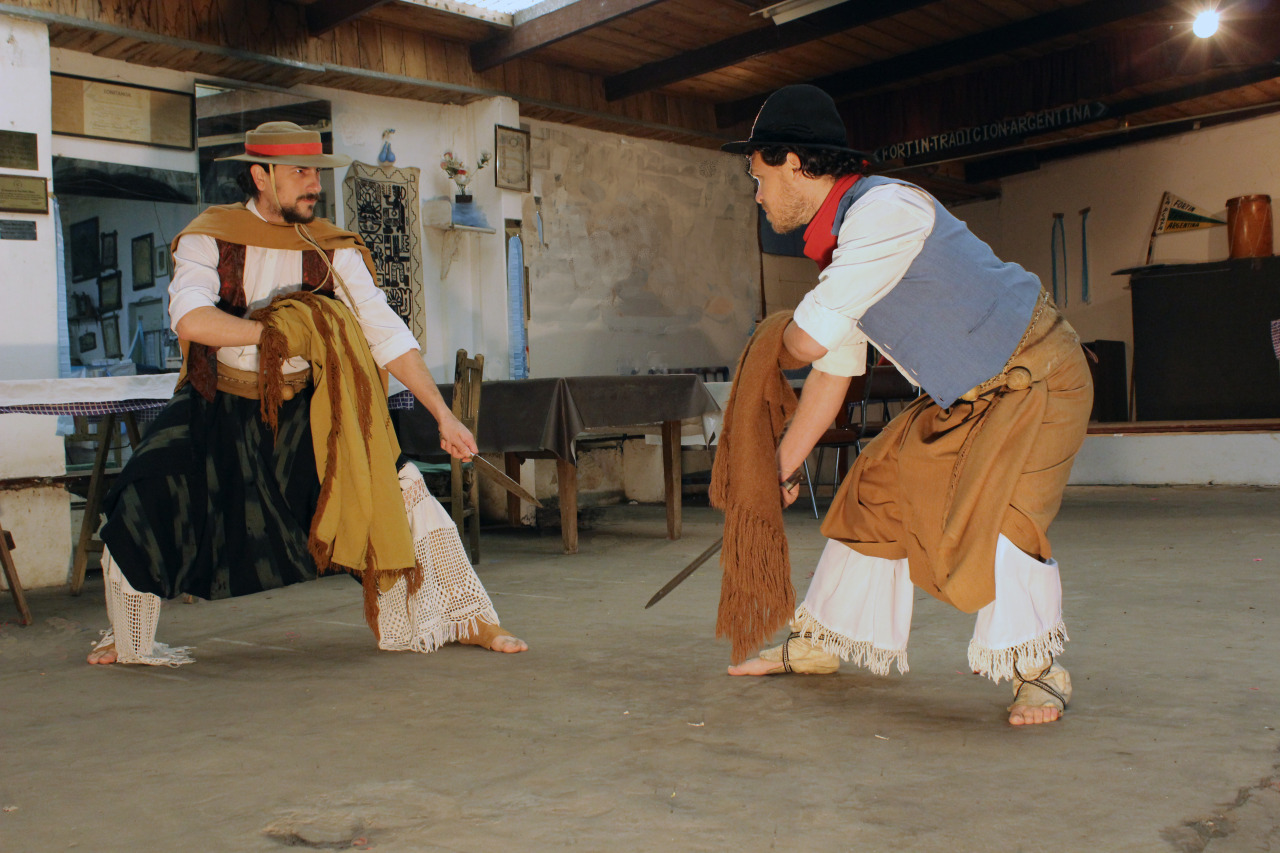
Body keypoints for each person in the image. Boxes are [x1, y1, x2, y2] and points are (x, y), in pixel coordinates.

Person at [87, 121, 526, 665]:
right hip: (218, 401)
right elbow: (191, 318)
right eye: (299, 172)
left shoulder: (332, 249)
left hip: (307, 407)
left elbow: (384, 332)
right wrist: (276, 335)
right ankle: (126, 635)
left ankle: (468, 617)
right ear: (260, 176)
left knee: (394, 487)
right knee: (141, 495)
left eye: (316, 172)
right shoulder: (210, 235)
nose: (312, 184)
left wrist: (444, 416)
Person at [719, 86, 1092, 725]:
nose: (756, 194)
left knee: (1006, 518)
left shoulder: (884, 213)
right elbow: (832, 377)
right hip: (965, 400)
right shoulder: (844, 253)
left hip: (1040, 377)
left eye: (759, 176)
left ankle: (1038, 670)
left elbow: (805, 343)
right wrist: (776, 467)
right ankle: (818, 644)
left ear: (794, 162)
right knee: (872, 496)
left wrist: (765, 340)